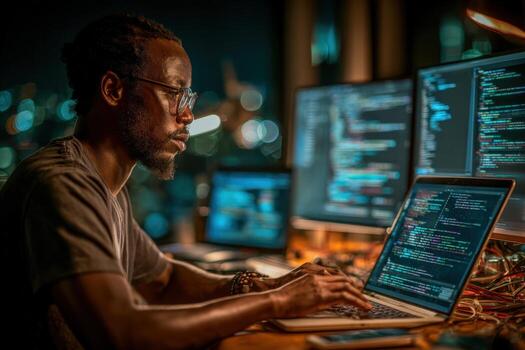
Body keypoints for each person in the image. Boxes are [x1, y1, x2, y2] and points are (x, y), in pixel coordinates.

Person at [0, 14, 371, 350]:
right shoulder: (62, 184)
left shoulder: (103, 187)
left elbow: (162, 280)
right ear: (113, 90)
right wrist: (279, 302)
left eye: (188, 97)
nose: (189, 114)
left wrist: (264, 284)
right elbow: (124, 331)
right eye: (176, 93)